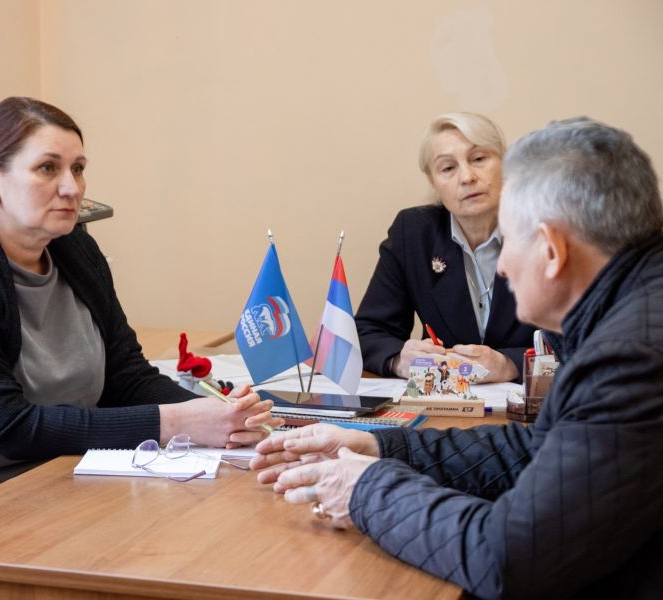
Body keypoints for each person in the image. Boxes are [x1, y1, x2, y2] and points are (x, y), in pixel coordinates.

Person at [0, 97, 279, 593]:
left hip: (44, 487)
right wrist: (181, 423)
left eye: (78, 169)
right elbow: (10, 426)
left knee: (203, 549)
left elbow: (126, 376)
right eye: (48, 168)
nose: (72, 188)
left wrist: (222, 418)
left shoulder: (76, 249)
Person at [252, 117, 663, 599]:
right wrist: (383, 447)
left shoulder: (628, 358)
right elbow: (539, 449)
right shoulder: (632, 311)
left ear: (551, 250)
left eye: (510, 241)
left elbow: (508, 558)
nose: (501, 266)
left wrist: (364, 490)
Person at [355, 112, 534, 382]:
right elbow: (368, 332)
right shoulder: (414, 233)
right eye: (448, 168)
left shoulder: (542, 229)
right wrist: (399, 360)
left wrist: (511, 364)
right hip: (445, 400)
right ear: (433, 182)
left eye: (478, 159)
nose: (467, 177)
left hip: (532, 403)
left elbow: (580, 340)